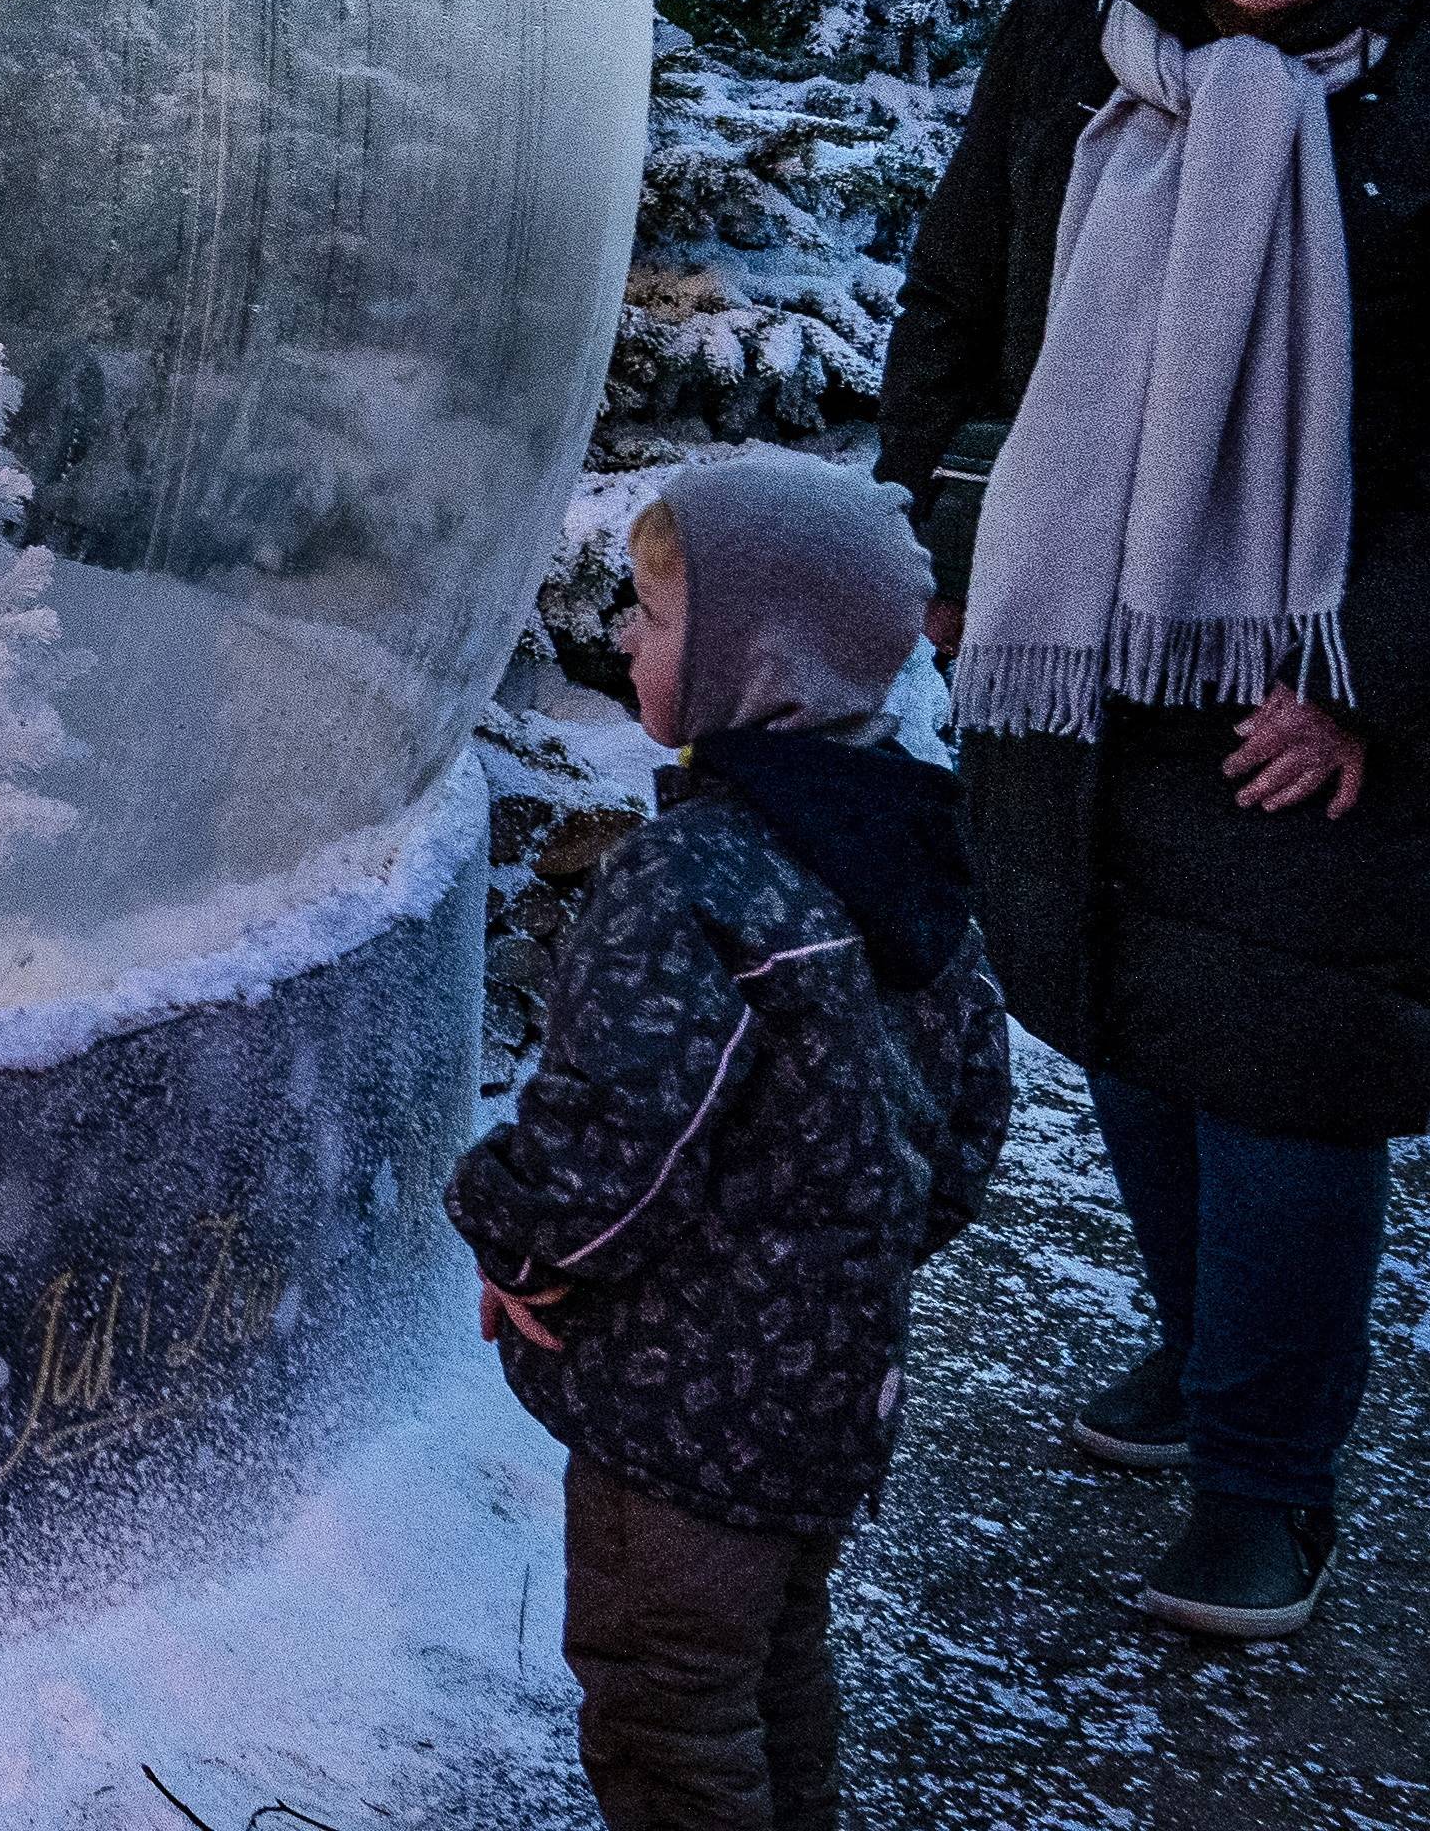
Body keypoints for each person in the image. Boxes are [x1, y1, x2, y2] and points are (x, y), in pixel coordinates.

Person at [878, 0, 1430, 1642]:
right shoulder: (1065, 38)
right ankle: (1214, 1357)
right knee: (1122, 1006)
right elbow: (965, 298)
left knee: (1285, 1065)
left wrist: (1363, 681)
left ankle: (1267, 1489)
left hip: (1309, 672)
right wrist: (954, 558)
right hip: (1082, 638)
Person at [455, 451, 1015, 1831]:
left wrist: (517, 1240)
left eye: (650, 623)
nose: (625, 644)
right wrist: (841, 1257)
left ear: (744, 659)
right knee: (772, 1673)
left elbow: (615, 1140)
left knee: (664, 1711)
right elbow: (964, 1130)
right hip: (828, 1394)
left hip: (683, 1412)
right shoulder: (903, 854)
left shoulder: (693, 880)